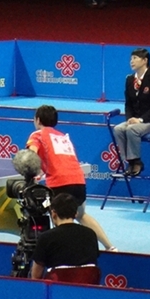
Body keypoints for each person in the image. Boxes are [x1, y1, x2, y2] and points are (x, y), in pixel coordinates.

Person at [27, 105, 116, 251]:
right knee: (81, 215)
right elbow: (59, 160)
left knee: (58, 218)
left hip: (59, 183)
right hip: (78, 181)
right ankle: (110, 246)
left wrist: (30, 173)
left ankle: (64, 251)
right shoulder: (62, 137)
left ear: (37, 119)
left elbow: (31, 155)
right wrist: (41, 173)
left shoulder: (37, 134)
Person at [113, 48, 150, 176]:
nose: (131, 61)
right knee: (118, 129)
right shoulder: (129, 80)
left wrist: (140, 120)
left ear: (145, 60)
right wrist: (129, 119)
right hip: (133, 120)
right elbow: (128, 104)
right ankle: (129, 162)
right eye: (131, 58)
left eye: (135, 58)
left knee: (131, 130)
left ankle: (136, 162)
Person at [30, 193, 100, 279]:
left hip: (56, 287)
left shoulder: (46, 237)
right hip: (87, 286)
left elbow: (36, 276)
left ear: (53, 213)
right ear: (76, 214)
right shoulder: (91, 234)